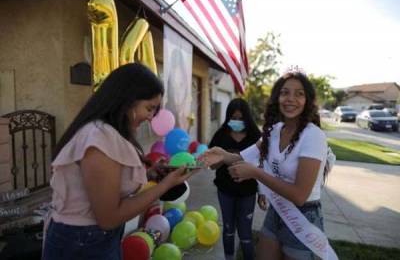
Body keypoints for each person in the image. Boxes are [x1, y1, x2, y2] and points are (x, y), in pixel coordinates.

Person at [42, 63, 198, 260]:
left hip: (92, 240)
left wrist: (151, 174)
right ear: (127, 100)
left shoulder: (109, 134)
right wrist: (167, 183)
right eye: (149, 108)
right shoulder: (99, 137)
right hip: (82, 244)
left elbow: (111, 184)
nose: (150, 117)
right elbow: (108, 218)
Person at [201, 71, 329, 260]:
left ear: (308, 100)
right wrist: (222, 154)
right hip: (276, 212)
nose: (290, 99)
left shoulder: (313, 135)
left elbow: (299, 195)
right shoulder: (274, 131)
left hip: (303, 217)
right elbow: (245, 157)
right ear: (277, 97)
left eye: (299, 94)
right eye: (285, 93)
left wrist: (255, 173)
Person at [208, 98, 261, 260]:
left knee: (245, 234)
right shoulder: (221, 135)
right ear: (228, 117)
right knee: (228, 229)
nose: (237, 121)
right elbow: (211, 166)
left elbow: (262, 165)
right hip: (226, 191)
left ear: (247, 118)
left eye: (240, 118)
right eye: (233, 118)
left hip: (248, 192)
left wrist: (263, 193)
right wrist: (221, 159)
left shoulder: (255, 137)